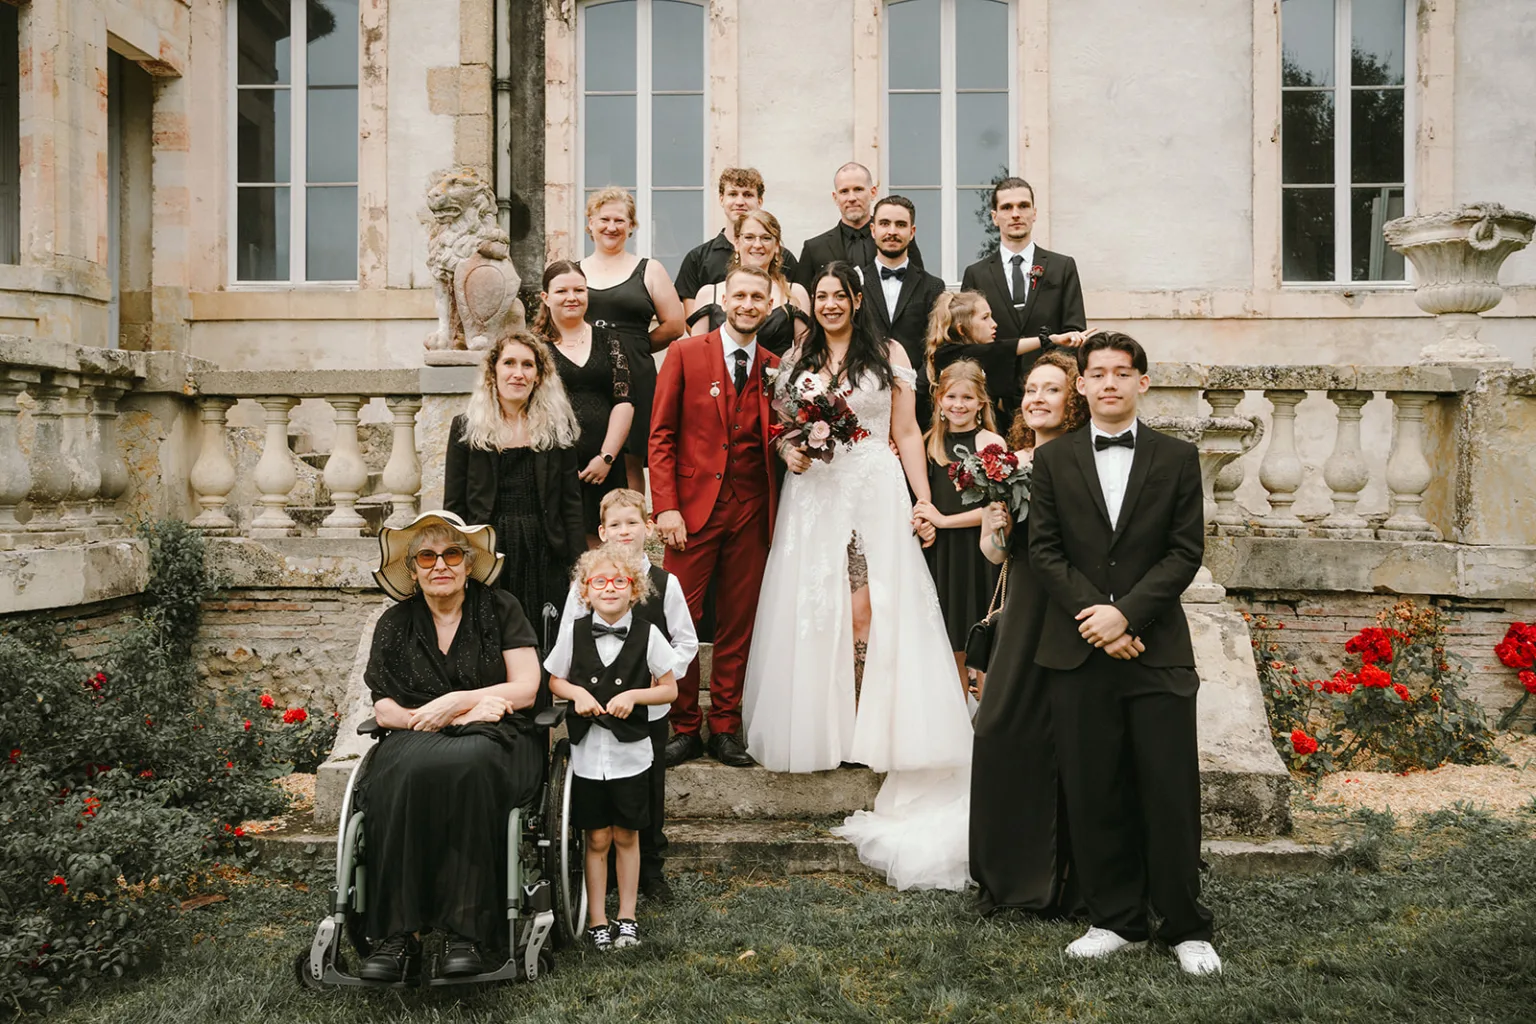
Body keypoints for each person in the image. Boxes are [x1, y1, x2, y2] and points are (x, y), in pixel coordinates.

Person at [741, 260, 970, 892]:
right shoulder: (796, 357)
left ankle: (875, 725)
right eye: (821, 296)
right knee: (818, 609)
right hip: (815, 493)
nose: (830, 304)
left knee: (871, 609)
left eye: (839, 295)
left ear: (857, 299)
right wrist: (791, 450)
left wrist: (924, 501)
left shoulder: (889, 353)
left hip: (873, 486)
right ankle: (827, 728)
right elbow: (781, 431)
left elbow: (905, 431)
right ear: (811, 302)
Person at [1028, 332, 1220, 975]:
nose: (1109, 382)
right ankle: (1116, 919)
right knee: (1094, 789)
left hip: (1156, 648)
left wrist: (1128, 615)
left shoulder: (1177, 457)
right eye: (1098, 373)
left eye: (1122, 372)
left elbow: (1184, 552)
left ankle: (1186, 926)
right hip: (1078, 650)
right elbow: (1045, 552)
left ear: (1142, 381)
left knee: (1169, 789)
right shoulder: (1053, 461)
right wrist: (1100, 621)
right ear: (1081, 384)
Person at [357, 511, 545, 981]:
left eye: (452, 554)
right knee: (395, 778)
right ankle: (398, 936)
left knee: (469, 766)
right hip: (414, 734)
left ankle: (467, 933)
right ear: (413, 570)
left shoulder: (500, 608)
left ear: (468, 563)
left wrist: (458, 702)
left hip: (494, 737)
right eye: (427, 557)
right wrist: (441, 717)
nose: (440, 565)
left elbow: (525, 689)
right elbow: (384, 708)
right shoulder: (394, 622)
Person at [968, 350, 1089, 917]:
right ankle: (1007, 878)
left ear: (1074, 401)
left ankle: (1069, 878)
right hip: (1021, 609)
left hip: (1074, 610)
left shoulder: (1085, 461)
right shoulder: (1006, 463)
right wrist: (995, 528)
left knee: (1070, 739)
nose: (1037, 398)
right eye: (1031, 389)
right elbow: (995, 555)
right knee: (999, 730)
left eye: (1052, 389)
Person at [649, 265, 782, 769]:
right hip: (691, 511)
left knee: (738, 622)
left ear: (769, 306)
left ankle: (726, 726)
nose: (747, 304)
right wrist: (666, 505)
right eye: (740, 295)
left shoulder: (775, 366)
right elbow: (661, 434)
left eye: (757, 297)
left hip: (752, 510)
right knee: (676, 618)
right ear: (724, 299)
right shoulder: (685, 353)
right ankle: (684, 725)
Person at [555, 489, 697, 902]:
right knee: (600, 791)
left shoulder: (666, 583)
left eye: (632, 522)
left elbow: (686, 640)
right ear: (602, 532)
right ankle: (602, 867)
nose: (624, 531)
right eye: (615, 525)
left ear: (648, 528)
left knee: (647, 789)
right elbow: (569, 637)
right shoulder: (587, 583)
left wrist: (662, 676)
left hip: (645, 712)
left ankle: (649, 868)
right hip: (597, 711)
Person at [546, 544, 678, 953]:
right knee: (597, 838)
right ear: (586, 591)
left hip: (630, 755)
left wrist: (636, 696)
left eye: (619, 581)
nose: (609, 588)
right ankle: (597, 920)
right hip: (588, 756)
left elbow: (669, 688)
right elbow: (554, 679)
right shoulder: (574, 633)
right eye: (599, 581)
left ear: (634, 589)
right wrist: (577, 694)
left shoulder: (648, 634)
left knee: (627, 836)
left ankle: (628, 917)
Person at [444, 331, 585, 648]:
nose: (518, 373)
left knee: (544, 637)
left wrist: (579, 569)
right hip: (489, 553)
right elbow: (454, 507)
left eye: (527, 365)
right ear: (493, 372)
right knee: (492, 638)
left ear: (539, 376)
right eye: (509, 363)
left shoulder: (557, 429)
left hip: (545, 549)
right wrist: (456, 562)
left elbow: (571, 505)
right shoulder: (465, 428)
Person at [581, 187, 687, 490]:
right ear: (590, 223)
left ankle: (633, 519)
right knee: (585, 450)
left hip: (636, 374)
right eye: (604, 219)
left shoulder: (650, 269)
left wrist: (635, 347)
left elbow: (675, 325)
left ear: (631, 226)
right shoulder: (574, 271)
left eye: (620, 220)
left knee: (631, 458)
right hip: (586, 373)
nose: (611, 227)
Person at [959, 177, 1090, 414]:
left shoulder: (1062, 267)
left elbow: (1074, 331)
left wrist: (1049, 381)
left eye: (1023, 206)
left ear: (1034, 213)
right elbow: (970, 342)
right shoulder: (976, 274)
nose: (1016, 214)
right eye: (1007, 207)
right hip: (993, 400)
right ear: (994, 216)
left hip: (1050, 397)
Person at [915, 359, 1006, 687]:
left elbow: (995, 508)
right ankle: (958, 711)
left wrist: (943, 520)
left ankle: (988, 711)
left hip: (979, 551)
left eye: (967, 398)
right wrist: (924, 523)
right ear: (939, 399)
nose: (959, 405)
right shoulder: (928, 443)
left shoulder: (990, 443)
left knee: (982, 636)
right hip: (942, 553)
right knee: (950, 639)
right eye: (951, 396)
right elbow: (918, 498)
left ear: (981, 403)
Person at [533, 259, 633, 547]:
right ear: (546, 297)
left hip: (603, 465)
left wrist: (606, 457)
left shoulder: (610, 341)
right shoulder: (533, 346)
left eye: (579, 290)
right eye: (562, 291)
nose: (572, 297)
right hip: (552, 463)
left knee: (605, 545)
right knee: (558, 544)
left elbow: (624, 400)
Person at [925, 290, 1094, 433]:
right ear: (962, 329)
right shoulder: (946, 355)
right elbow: (999, 350)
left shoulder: (986, 356)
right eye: (985, 318)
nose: (994, 324)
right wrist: (1049, 340)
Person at [858, 196, 946, 428]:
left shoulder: (933, 286)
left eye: (900, 225)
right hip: (864, 402)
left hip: (919, 405)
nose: (892, 231)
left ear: (912, 231)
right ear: (873, 230)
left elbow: (937, 346)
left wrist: (914, 388)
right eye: (885, 223)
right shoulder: (854, 282)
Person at [676, 167, 800, 315]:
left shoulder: (784, 258)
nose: (740, 202)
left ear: (760, 201)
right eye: (733, 194)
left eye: (747, 195)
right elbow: (692, 320)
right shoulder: (697, 258)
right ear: (721, 199)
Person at [687, 208, 811, 356]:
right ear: (737, 242)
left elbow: (804, 352)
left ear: (777, 246)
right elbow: (696, 354)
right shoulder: (708, 294)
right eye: (749, 237)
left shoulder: (794, 293)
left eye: (766, 238)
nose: (757, 245)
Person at [795, 162, 925, 291]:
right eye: (844, 191)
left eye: (858, 189)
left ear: (873, 192)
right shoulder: (814, 248)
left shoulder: (897, 239)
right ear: (835, 198)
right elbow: (801, 298)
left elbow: (919, 286)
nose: (851, 198)